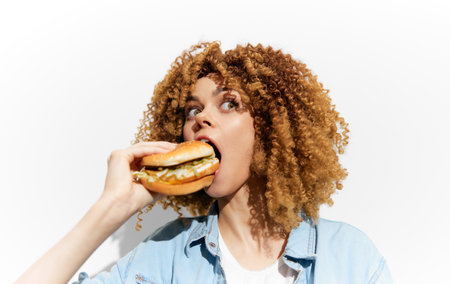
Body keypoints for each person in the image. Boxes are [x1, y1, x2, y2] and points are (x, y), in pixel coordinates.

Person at [16, 41, 392, 283]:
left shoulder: (350, 257)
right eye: (192, 110)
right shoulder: (163, 258)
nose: (200, 119)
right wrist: (110, 208)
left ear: (270, 128)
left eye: (228, 103)